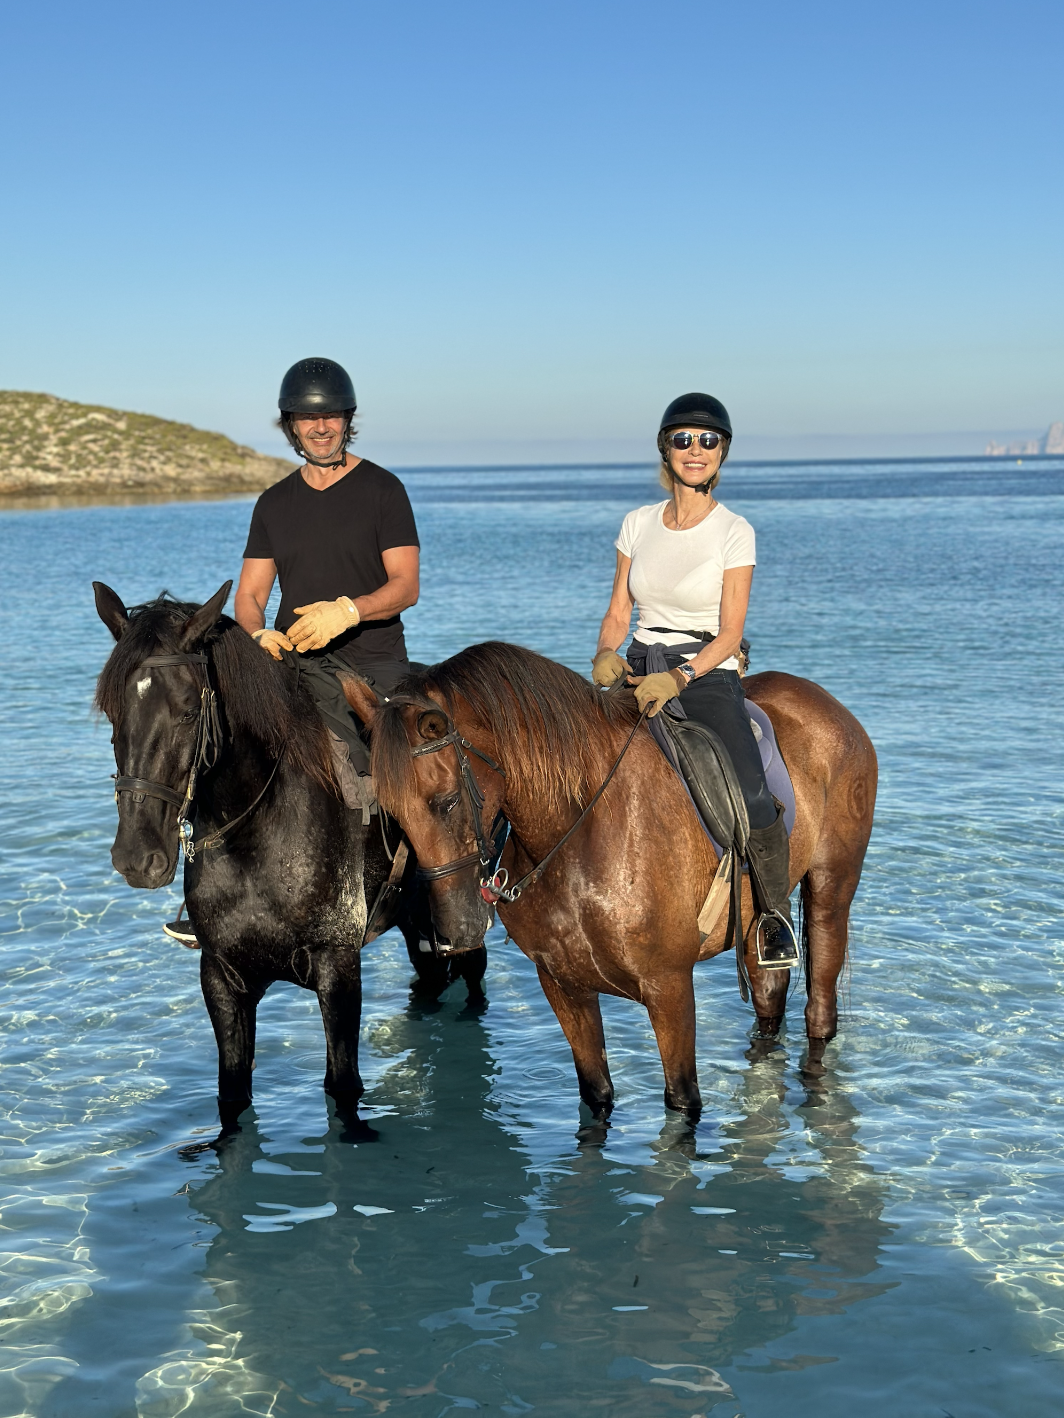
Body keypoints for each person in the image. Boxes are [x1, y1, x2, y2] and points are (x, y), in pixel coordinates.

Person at [163, 357, 419, 945]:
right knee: (220, 745)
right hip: (292, 660)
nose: (320, 427)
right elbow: (251, 595)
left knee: (394, 771)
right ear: (291, 427)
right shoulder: (274, 503)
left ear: (347, 421)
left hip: (372, 659)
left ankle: (430, 892)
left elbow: (406, 585)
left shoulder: (384, 490)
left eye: (330, 417)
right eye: (307, 418)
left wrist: (347, 611)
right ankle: (212, 893)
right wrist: (257, 634)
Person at [590, 392, 800, 970]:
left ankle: (774, 918)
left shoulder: (734, 531)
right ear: (666, 449)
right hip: (638, 663)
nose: (695, 449)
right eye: (683, 439)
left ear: (722, 452)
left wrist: (680, 678)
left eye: (708, 440)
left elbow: (731, 633)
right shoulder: (636, 524)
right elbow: (619, 609)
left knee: (751, 791)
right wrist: (606, 651)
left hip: (704, 672)